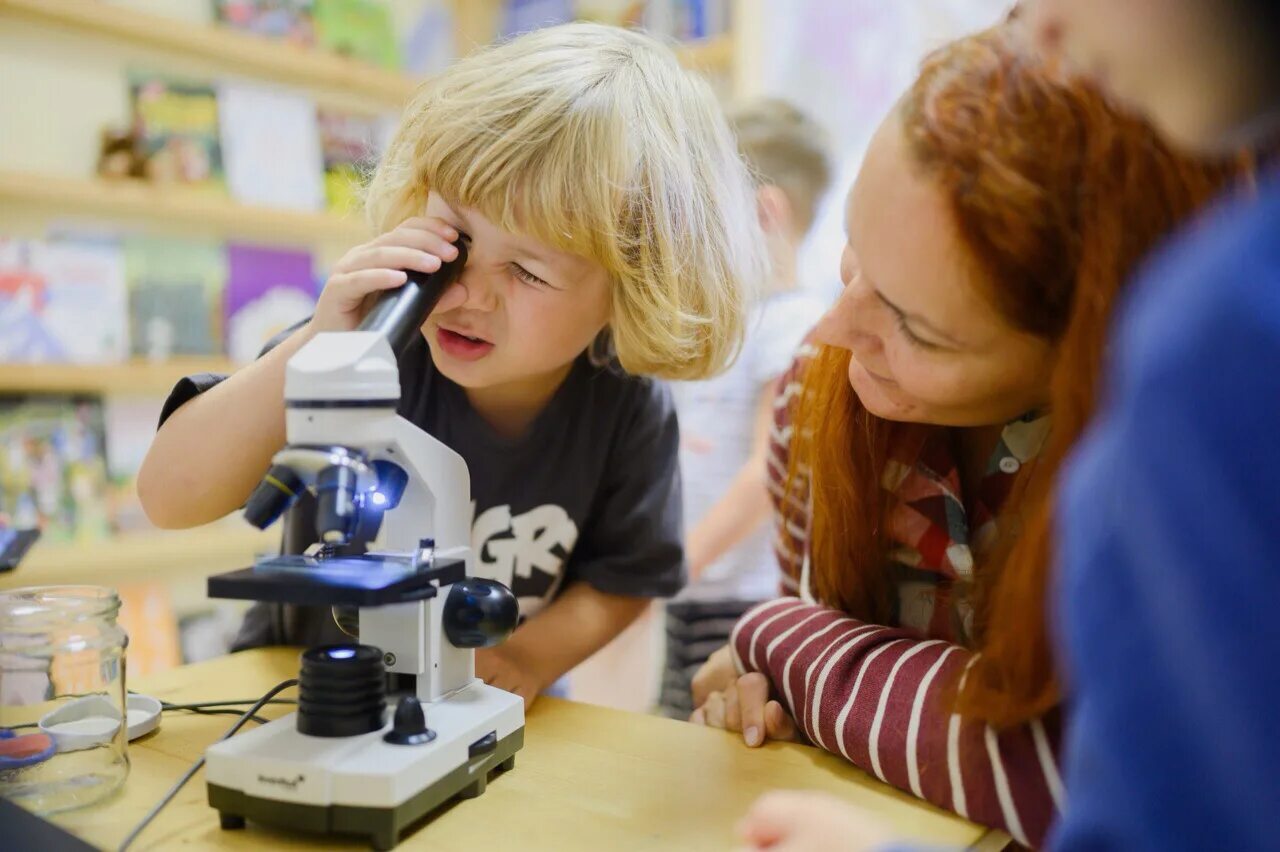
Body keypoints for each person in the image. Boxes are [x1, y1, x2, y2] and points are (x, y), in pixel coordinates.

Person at [733, 2, 1280, 849]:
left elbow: (1084, 776)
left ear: (1079, 353)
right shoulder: (819, 383)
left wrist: (785, 647)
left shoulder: (1196, 407)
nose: (837, 328)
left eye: (918, 327)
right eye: (851, 251)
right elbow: (790, 650)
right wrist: (762, 680)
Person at [137, 23, 766, 708]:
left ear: (635, 287)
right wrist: (317, 348)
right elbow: (170, 498)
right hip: (297, 685)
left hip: (476, 697)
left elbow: (624, 579)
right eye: (457, 239)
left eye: (526, 270)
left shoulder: (626, 405)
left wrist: (528, 656)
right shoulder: (363, 344)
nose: (466, 294)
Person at [660, 98, 833, 719]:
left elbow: (770, 472)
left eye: (706, 222)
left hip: (743, 599)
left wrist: (677, 563)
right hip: (698, 591)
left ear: (764, 212)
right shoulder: (743, 322)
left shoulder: (791, 325)